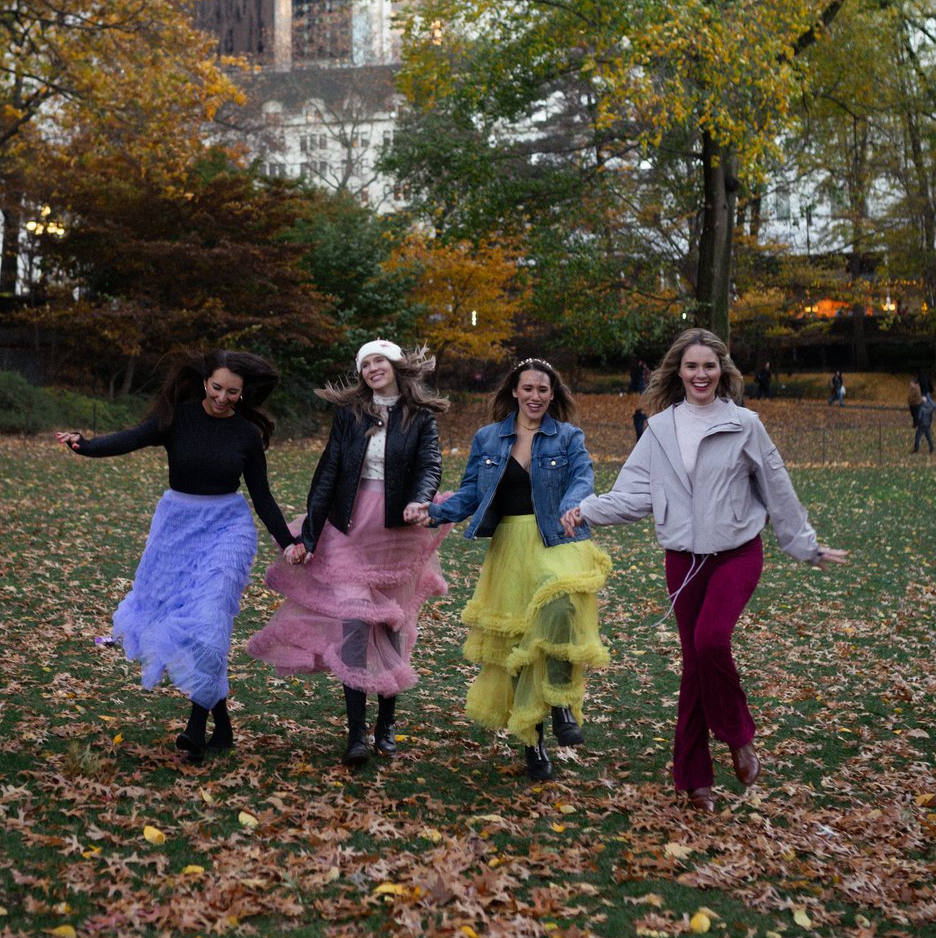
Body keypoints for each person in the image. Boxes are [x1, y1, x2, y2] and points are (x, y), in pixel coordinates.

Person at [562, 327, 848, 814]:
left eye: (709, 366)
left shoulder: (744, 425)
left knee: (712, 640)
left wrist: (806, 547)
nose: (700, 374)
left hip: (737, 552)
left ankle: (738, 736)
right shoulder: (659, 430)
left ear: (723, 371)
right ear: (679, 371)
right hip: (684, 561)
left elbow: (777, 488)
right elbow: (636, 494)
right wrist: (588, 509)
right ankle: (696, 781)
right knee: (695, 664)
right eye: (692, 366)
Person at [57, 350, 298, 761]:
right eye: (217, 387)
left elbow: (262, 496)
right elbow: (130, 438)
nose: (223, 397)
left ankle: (195, 726)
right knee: (192, 629)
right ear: (205, 382)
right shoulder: (178, 418)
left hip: (228, 529)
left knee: (210, 619)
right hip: (177, 528)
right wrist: (86, 446)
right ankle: (221, 725)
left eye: (233, 392)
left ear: (243, 394)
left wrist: (288, 541)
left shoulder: (245, 435)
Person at [407, 358, 612, 782]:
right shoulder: (488, 438)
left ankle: (559, 703)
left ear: (552, 394)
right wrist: (435, 513)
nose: (535, 396)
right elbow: (470, 492)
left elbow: (582, 479)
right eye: (528, 389)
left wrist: (575, 505)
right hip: (511, 548)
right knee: (517, 644)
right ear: (515, 392)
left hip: (558, 537)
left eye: (543, 389)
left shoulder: (569, 437)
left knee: (560, 610)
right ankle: (532, 744)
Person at [247, 340, 449, 767]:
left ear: (395, 366)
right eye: (366, 364)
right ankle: (356, 732)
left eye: (380, 361)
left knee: (393, 626)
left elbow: (430, 464)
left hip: (397, 532)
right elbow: (328, 474)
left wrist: (420, 499)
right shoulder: (350, 416)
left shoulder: (420, 419)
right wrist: (310, 538)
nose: (373, 368)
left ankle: (386, 726)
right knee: (355, 625)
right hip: (349, 529)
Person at [914, 388, 934, 454]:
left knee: (917, 436)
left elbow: (919, 416)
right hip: (927, 423)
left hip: (922, 424)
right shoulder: (930, 406)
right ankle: (932, 448)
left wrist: (917, 423)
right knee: (928, 437)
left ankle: (916, 449)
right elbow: (931, 416)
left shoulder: (921, 406)